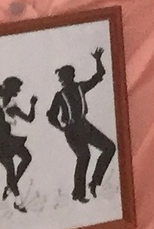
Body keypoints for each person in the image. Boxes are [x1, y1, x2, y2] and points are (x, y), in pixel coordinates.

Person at [44, 50, 117, 203]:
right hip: (72, 130)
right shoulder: (60, 95)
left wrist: (98, 59)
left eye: (65, 77)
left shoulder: (80, 87)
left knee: (109, 147)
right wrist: (61, 127)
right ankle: (78, 194)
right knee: (84, 156)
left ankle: (94, 181)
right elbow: (51, 115)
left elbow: (99, 75)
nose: (64, 80)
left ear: (71, 77)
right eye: (62, 78)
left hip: (84, 125)